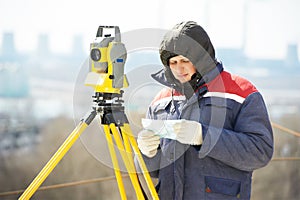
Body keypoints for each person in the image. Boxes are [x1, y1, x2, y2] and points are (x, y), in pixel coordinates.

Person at [136, 21, 274, 199]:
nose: (179, 68)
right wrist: (147, 154)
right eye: (173, 61)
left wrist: (203, 136)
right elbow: (153, 171)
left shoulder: (241, 93)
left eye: (185, 60)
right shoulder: (160, 101)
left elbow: (260, 151)